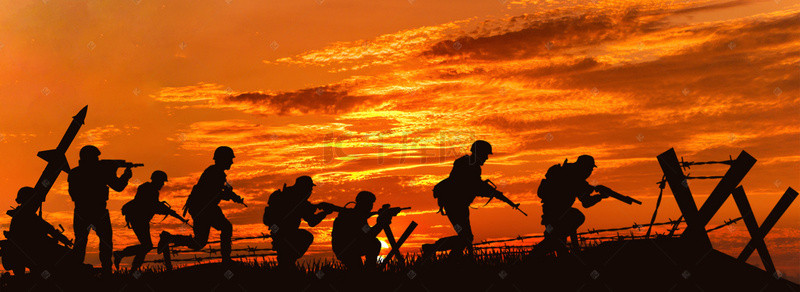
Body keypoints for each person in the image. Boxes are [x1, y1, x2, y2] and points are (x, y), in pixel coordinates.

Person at [423, 140, 518, 258]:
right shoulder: (465, 165)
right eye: (485, 155)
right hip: (454, 208)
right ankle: (432, 249)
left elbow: (476, 186)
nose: (487, 158)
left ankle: (451, 259)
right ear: (479, 153)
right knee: (465, 237)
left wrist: (496, 194)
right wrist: (494, 193)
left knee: (466, 237)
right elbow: (473, 185)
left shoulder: (472, 166)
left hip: (459, 207)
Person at [157, 146, 244, 269]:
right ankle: (226, 260)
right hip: (204, 209)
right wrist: (230, 196)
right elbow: (213, 192)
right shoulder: (214, 173)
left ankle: (169, 238)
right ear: (222, 159)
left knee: (199, 242)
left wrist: (231, 195)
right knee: (225, 228)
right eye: (229, 159)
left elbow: (219, 190)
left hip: (204, 208)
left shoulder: (217, 172)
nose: (231, 162)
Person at [67, 145, 132, 275]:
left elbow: (74, 194)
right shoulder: (100, 172)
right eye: (96, 157)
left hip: (81, 212)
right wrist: (125, 176)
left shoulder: (74, 173)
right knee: (105, 242)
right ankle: (106, 271)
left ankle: (76, 272)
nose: (98, 159)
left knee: (80, 243)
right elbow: (118, 187)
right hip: (98, 211)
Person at [531, 155, 608, 257]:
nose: (590, 172)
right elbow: (586, 202)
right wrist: (600, 197)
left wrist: (593, 191)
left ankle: (563, 255)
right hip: (556, 215)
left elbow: (582, 193)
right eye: (589, 169)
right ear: (583, 167)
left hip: (552, 214)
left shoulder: (568, 173)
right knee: (575, 219)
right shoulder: (575, 177)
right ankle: (532, 258)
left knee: (559, 244)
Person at [114, 171, 188, 271]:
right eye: (162, 182)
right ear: (157, 180)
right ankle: (124, 257)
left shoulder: (147, 188)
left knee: (146, 246)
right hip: (138, 219)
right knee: (147, 246)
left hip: (141, 220)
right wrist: (166, 211)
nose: (162, 184)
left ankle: (132, 268)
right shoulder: (149, 190)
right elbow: (151, 206)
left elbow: (153, 206)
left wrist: (167, 210)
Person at [1, 187, 78, 276]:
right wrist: (63, 240)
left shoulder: (20, 215)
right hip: (35, 253)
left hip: (30, 253)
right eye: (35, 201)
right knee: (69, 257)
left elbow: (47, 229)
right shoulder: (27, 217)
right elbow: (49, 229)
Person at [264, 176, 332, 270]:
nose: (310, 190)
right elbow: (312, 221)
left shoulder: (286, 195)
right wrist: (324, 213)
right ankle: (288, 263)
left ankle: (287, 264)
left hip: (277, 231)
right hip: (283, 232)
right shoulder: (297, 200)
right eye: (309, 187)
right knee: (306, 237)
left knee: (285, 258)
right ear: (303, 187)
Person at [328, 191, 394, 271]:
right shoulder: (353, 217)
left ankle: (368, 271)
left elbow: (367, 232)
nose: (371, 206)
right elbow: (369, 235)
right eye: (370, 203)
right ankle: (370, 270)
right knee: (374, 243)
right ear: (363, 203)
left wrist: (380, 220)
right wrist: (381, 223)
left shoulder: (354, 215)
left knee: (358, 272)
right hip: (347, 250)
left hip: (348, 248)